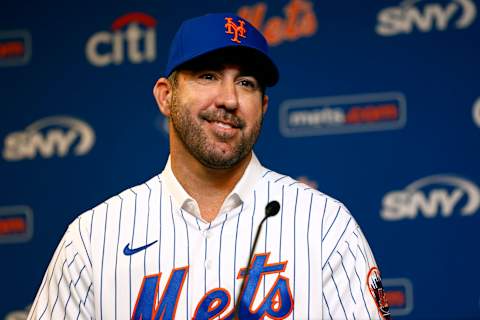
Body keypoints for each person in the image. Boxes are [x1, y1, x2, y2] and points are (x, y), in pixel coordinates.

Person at [28, 13, 390, 319]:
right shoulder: (94, 237)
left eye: (245, 83)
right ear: (166, 97)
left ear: (262, 107)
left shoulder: (324, 226)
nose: (229, 99)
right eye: (207, 76)